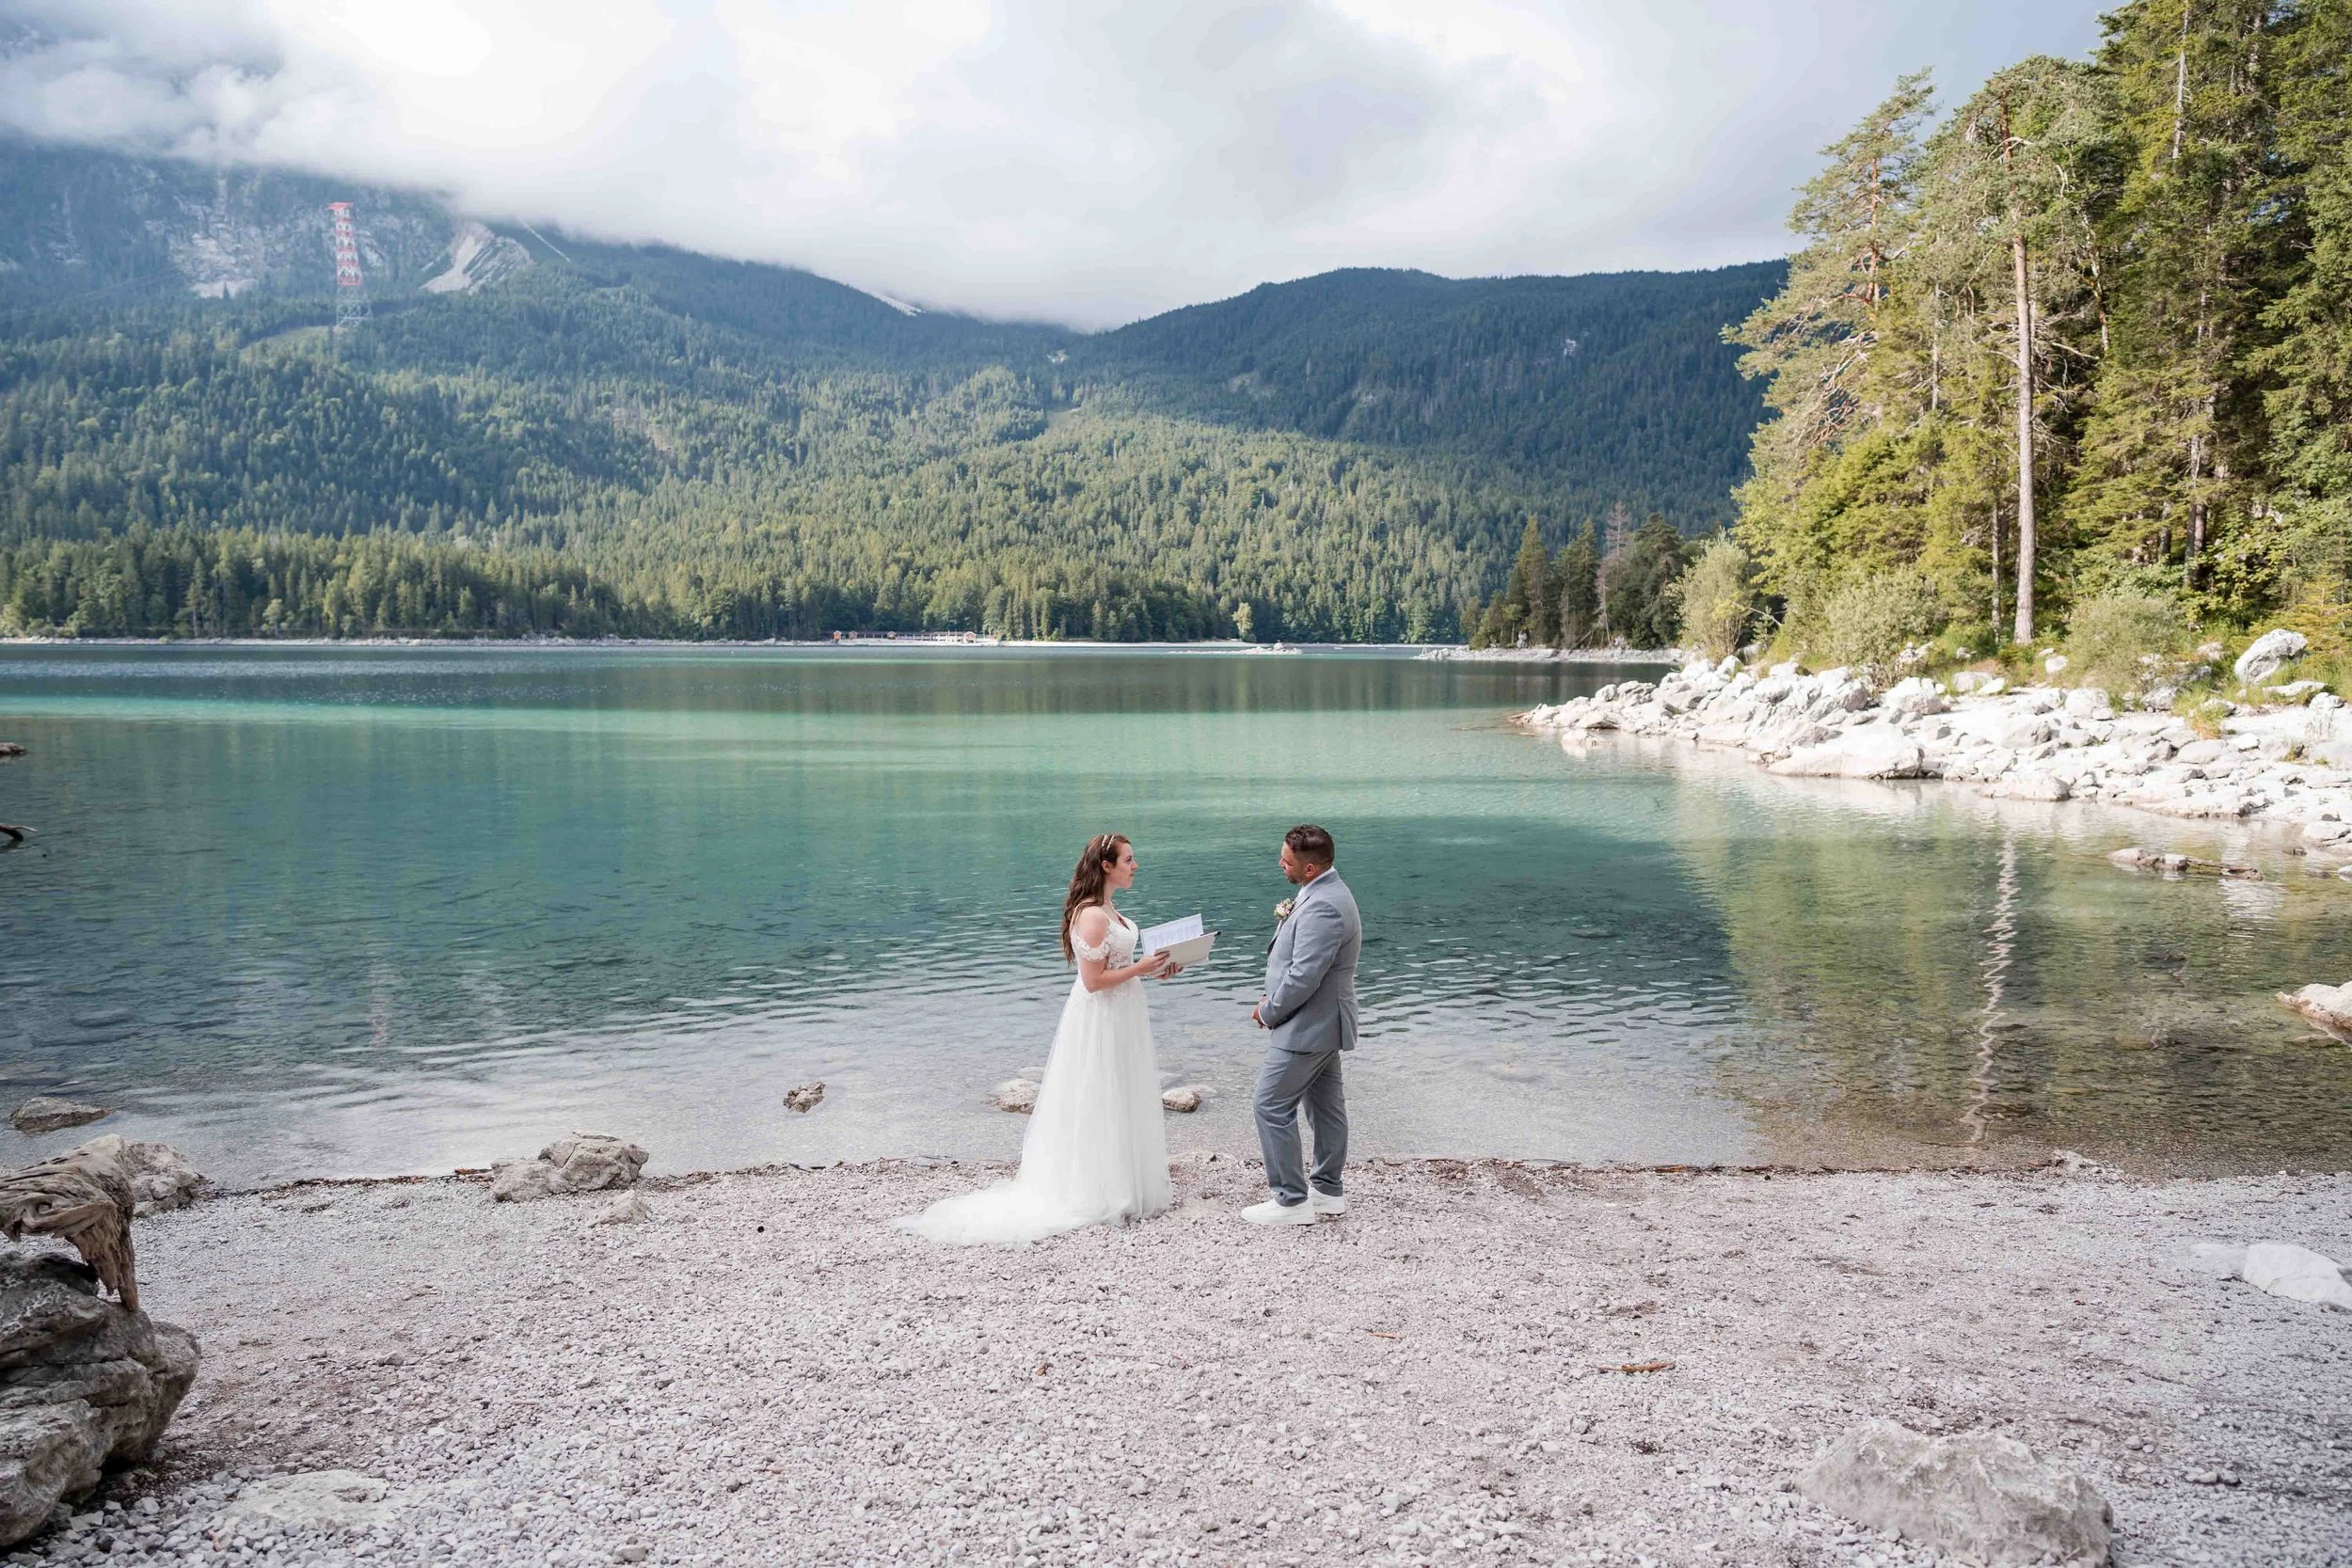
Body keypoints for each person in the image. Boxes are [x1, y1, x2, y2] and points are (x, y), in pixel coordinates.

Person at [897, 833, 1179, 1244]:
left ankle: (1126, 1182)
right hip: (1101, 1017)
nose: (1135, 866)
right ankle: (1099, 1189)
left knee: (1124, 1090)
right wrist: (1139, 969)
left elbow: (1121, 966)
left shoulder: (1110, 910)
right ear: (1106, 865)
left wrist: (1157, 968)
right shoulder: (1092, 916)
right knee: (1099, 1092)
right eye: (1129, 860)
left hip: (1124, 1013)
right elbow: (1094, 981)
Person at [1243, 823, 1360, 1226]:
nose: (1280, 863)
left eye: (1287, 860)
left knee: (1270, 1105)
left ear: (1310, 869)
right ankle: (1327, 1192)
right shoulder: (1324, 892)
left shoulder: (1325, 905)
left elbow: (1304, 975)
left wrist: (1269, 1010)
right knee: (1325, 1108)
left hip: (1308, 1024)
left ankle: (1291, 1201)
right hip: (1323, 1023)